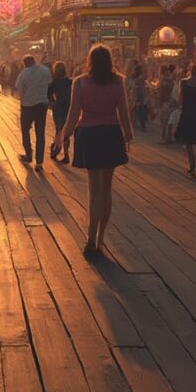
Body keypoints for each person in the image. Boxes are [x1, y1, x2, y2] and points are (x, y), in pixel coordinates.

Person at [54, 44, 132, 257]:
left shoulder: (80, 83)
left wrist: (65, 135)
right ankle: (100, 239)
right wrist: (129, 135)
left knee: (93, 189)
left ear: (89, 60)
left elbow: (73, 112)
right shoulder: (117, 82)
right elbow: (123, 111)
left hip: (88, 135)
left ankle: (89, 237)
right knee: (106, 190)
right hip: (110, 134)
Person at [15, 54, 53, 171]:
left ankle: (28, 154)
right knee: (40, 132)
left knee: (25, 130)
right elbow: (50, 84)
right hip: (42, 105)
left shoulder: (23, 74)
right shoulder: (45, 70)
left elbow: (19, 91)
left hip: (27, 106)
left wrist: (24, 97)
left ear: (25, 63)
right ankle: (39, 162)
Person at [174, 62, 196, 177]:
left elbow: (180, 98)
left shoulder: (183, 82)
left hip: (187, 112)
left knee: (188, 141)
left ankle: (191, 164)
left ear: (189, 70)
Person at [48, 61, 73, 163]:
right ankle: (66, 154)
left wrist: (53, 103)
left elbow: (48, 95)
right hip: (68, 107)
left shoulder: (54, 82)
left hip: (58, 108)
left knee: (59, 129)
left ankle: (56, 148)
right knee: (66, 131)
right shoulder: (70, 81)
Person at [129, 63, 149, 131]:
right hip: (139, 97)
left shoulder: (136, 79)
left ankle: (134, 125)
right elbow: (138, 90)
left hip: (137, 97)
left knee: (137, 111)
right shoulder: (139, 80)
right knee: (140, 111)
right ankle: (140, 126)